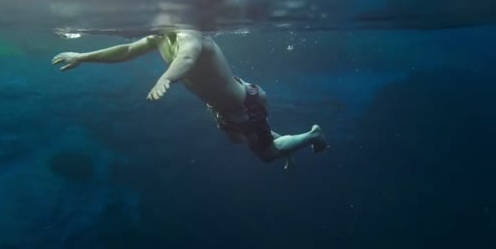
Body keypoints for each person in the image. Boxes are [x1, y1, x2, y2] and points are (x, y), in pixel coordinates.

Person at [52, 29, 327, 168]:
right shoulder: (160, 36)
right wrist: (82, 56)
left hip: (244, 103)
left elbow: (186, 57)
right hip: (224, 107)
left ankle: (313, 135)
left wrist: (166, 78)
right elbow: (126, 50)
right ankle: (280, 142)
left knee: (266, 155)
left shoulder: (190, 35)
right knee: (240, 139)